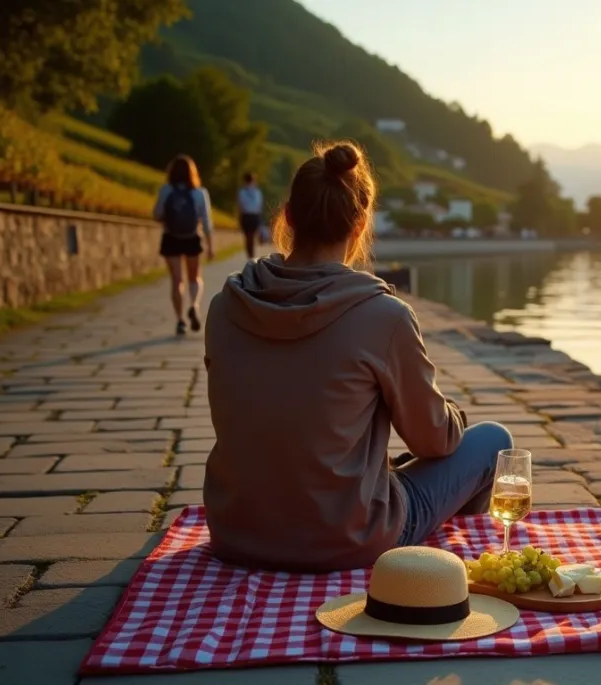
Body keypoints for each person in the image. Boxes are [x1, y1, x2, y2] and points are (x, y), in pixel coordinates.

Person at [202, 141, 513, 572]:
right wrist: (452, 414)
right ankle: (444, 569)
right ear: (361, 222)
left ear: (288, 216)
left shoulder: (224, 307)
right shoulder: (382, 315)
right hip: (346, 539)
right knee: (494, 441)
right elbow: (433, 441)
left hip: (237, 533)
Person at [153, 155, 214, 336]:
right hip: (192, 237)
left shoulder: (166, 190)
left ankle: (180, 320)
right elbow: (207, 221)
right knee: (194, 277)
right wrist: (210, 246)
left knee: (177, 281)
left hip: (171, 237)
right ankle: (194, 306)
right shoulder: (200, 192)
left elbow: (157, 214)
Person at [236, 172, 264, 259]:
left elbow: (240, 206)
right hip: (254, 216)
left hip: (246, 215)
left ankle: (250, 255)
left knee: (248, 237)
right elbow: (259, 206)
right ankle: (251, 255)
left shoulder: (242, 192)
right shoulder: (257, 192)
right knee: (251, 236)